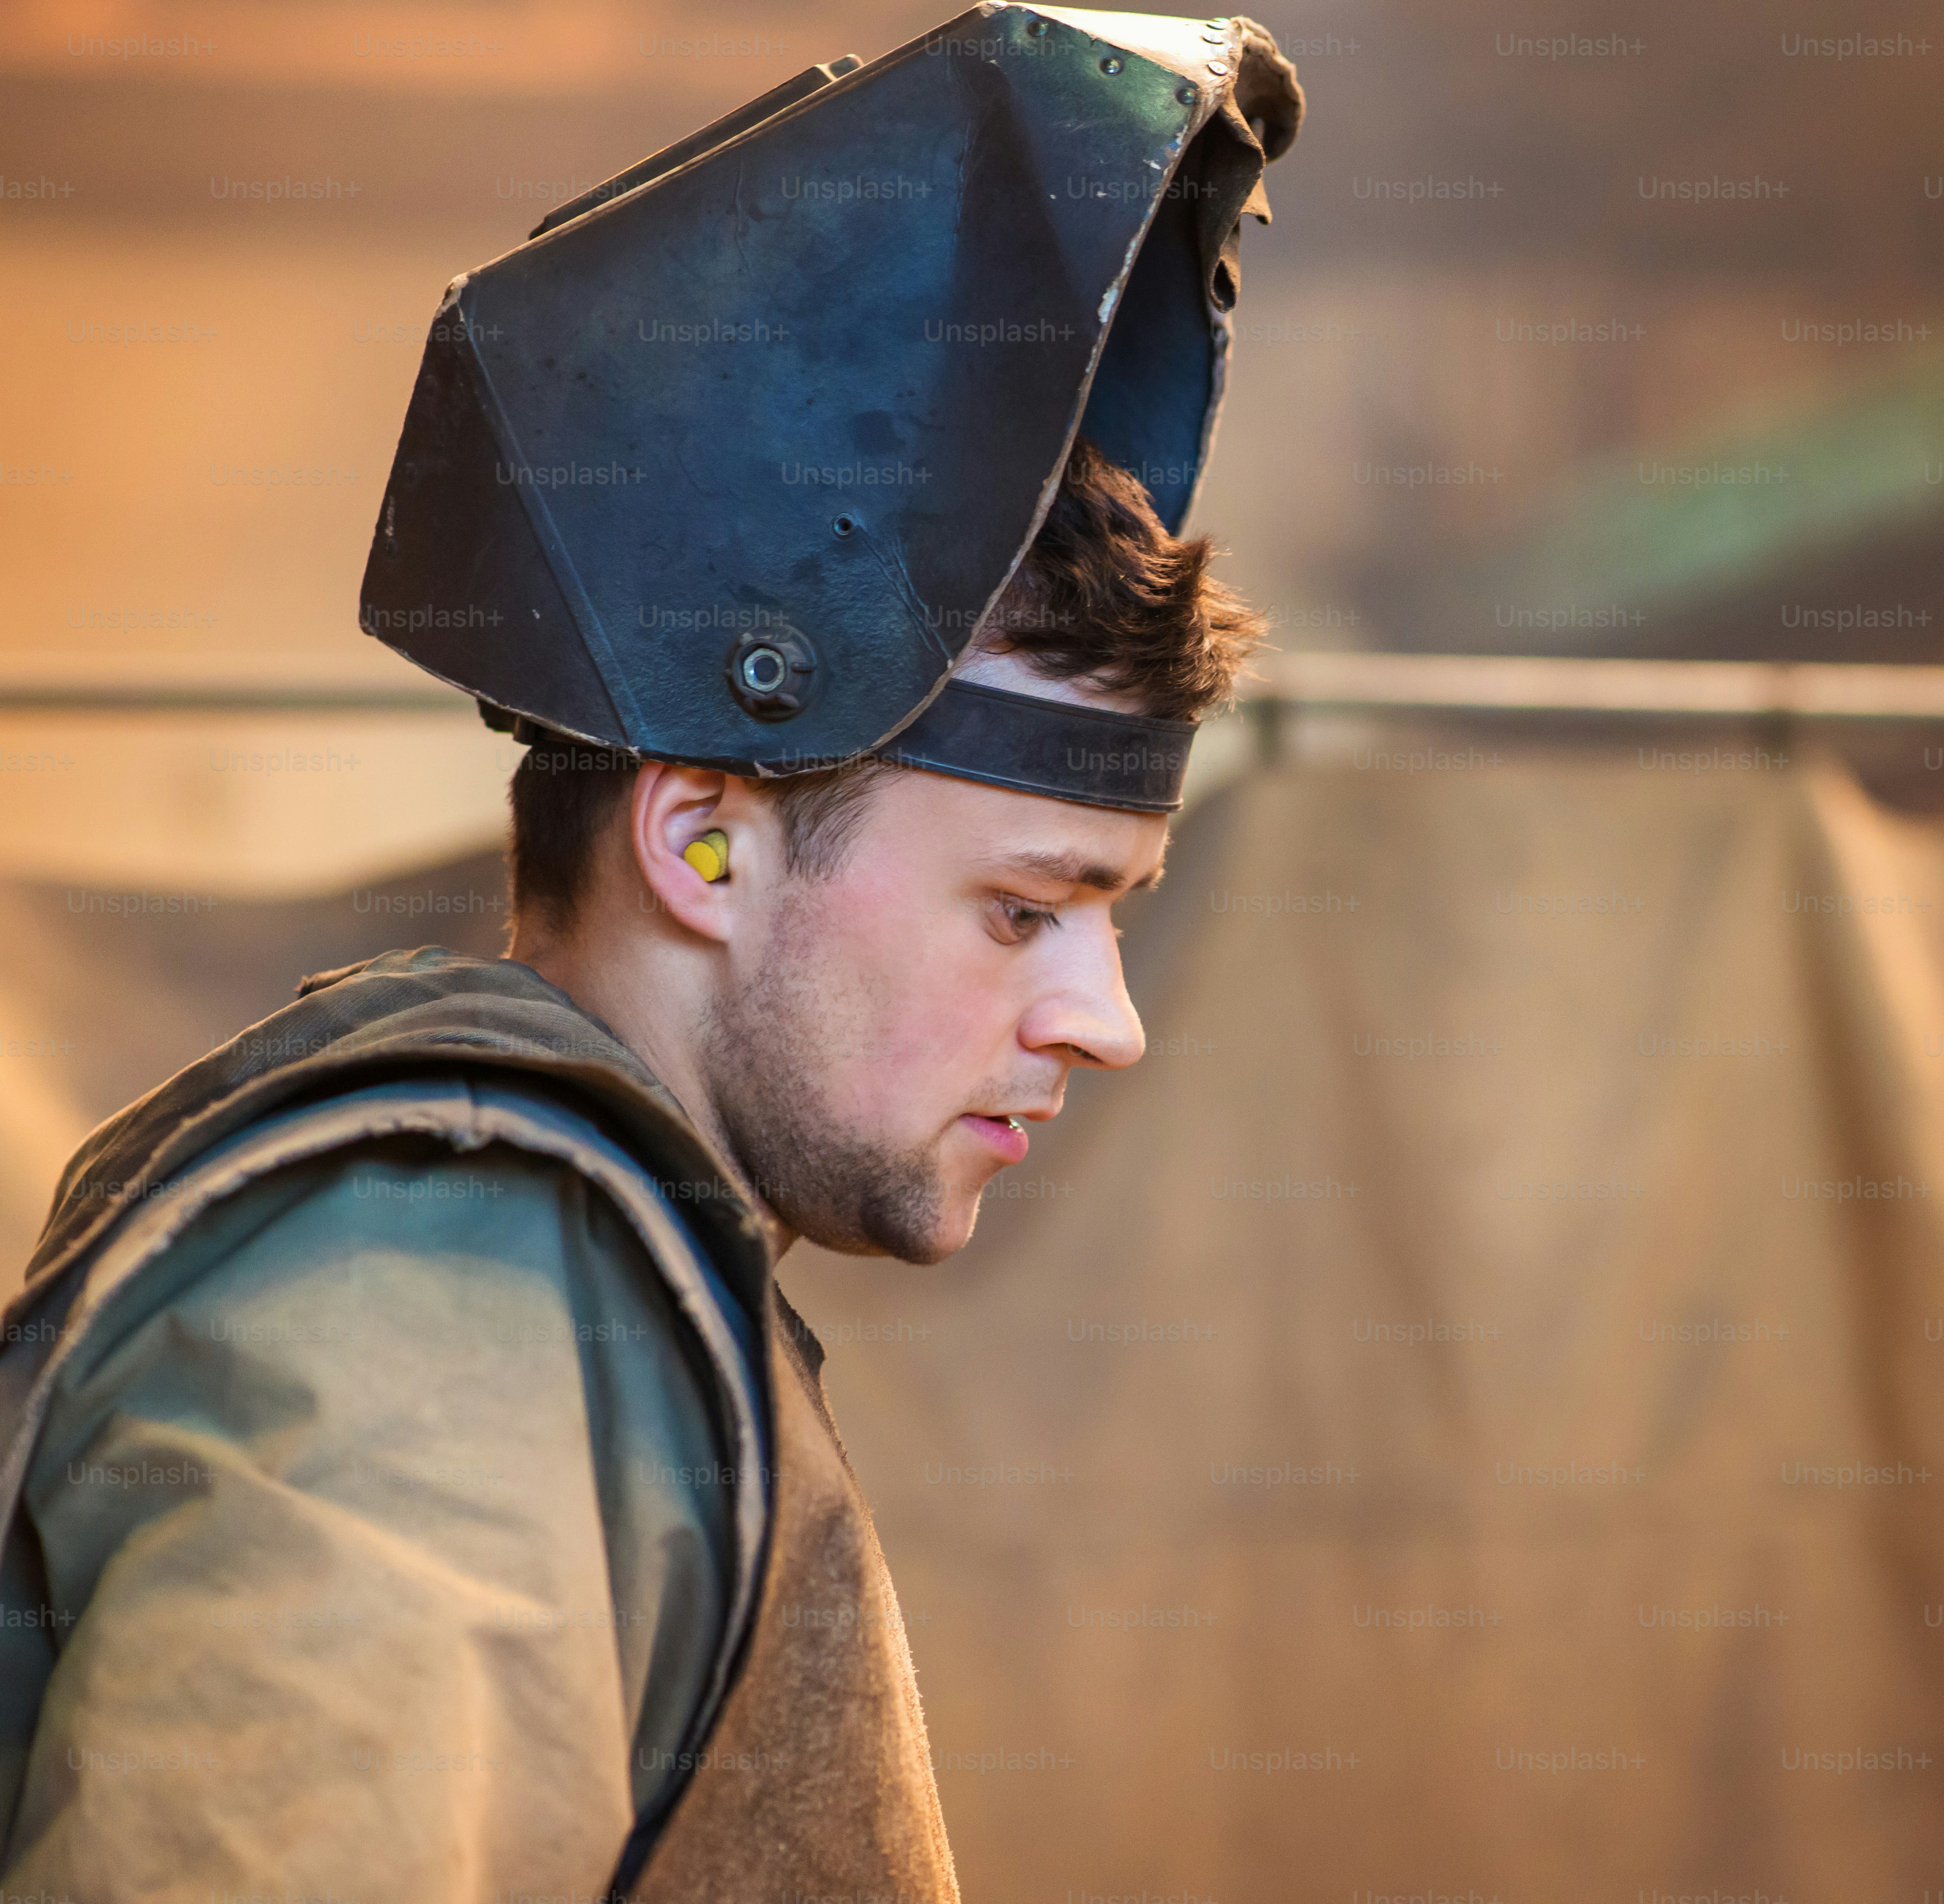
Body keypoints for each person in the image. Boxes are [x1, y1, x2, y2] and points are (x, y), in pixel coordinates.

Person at [0, 8, 1299, 1899]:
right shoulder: (445, 1279)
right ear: (704, 837)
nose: (1104, 1021)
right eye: (1026, 908)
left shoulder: (589, 1273)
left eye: (1112, 914)